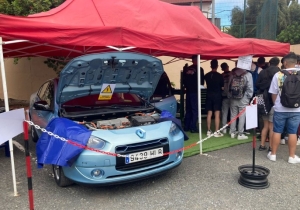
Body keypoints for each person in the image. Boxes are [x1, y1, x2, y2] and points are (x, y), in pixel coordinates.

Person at [268, 52, 300, 163]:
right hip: (296, 109)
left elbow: (273, 93)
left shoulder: (279, 75)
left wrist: (276, 104)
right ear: (296, 62)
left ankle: (273, 154)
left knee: (277, 131)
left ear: (285, 63)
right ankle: (291, 156)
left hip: (280, 108)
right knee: (292, 132)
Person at [255, 57, 280, 151]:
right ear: (278, 64)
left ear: (269, 63)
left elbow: (257, 85)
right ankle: (271, 146)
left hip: (264, 101)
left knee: (265, 125)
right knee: (272, 126)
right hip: (275, 101)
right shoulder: (280, 73)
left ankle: (262, 145)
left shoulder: (262, 72)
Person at [228, 67, 253, 140]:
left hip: (233, 97)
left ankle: (232, 132)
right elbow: (250, 87)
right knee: (242, 115)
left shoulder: (232, 74)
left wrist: (229, 95)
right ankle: (240, 133)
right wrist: (249, 97)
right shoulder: (248, 74)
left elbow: (229, 85)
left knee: (233, 115)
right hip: (244, 98)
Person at [183, 55, 204, 133]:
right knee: (195, 110)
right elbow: (202, 82)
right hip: (195, 92)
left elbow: (184, 81)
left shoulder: (187, 69)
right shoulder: (200, 69)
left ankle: (186, 126)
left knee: (188, 110)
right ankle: (193, 127)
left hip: (188, 91)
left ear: (192, 60)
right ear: (197, 60)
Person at [204, 59, 224, 137]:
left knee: (209, 113)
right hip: (217, 95)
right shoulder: (220, 76)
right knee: (217, 113)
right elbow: (222, 86)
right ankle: (216, 131)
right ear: (217, 66)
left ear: (210, 65)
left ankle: (208, 130)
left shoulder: (207, 75)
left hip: (209, 95)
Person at [220, 62, 231, 134]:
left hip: (224, 95)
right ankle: (232, 128)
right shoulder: (232, 74)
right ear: (228, 66)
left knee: (224, 112)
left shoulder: (221, 76)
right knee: (233, 113)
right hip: (232, 95)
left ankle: (224, 128)